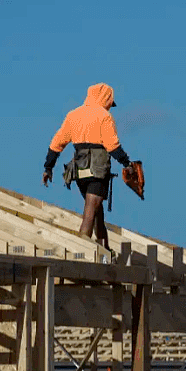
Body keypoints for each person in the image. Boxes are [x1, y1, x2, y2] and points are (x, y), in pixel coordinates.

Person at [42, 83, 135, 252]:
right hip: (97, 170)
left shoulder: (73, 115)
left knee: (97, 211)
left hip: (80, 171)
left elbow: (57, 143)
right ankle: (79, 252)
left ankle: (104, 250)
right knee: (90, 213)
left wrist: (48, 167)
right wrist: (127, 163)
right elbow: (112, 145)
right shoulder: (103, 116)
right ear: (106, 100)